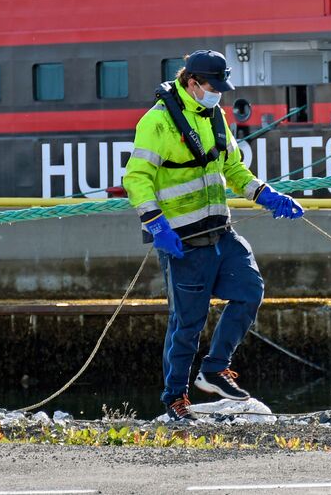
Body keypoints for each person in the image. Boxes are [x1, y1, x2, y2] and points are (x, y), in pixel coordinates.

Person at [123, 50, 304, 421]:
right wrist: (156, 224)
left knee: (250, 290)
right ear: (191, 82)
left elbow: (233, 168)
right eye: (212, 86)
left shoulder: (215, 117)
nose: (217, 94)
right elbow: (136, 178)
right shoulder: (157, 123)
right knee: (187, 324)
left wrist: (265, 194)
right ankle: (175, 398)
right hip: (182, 241)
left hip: (221, 232)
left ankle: (214, 369)